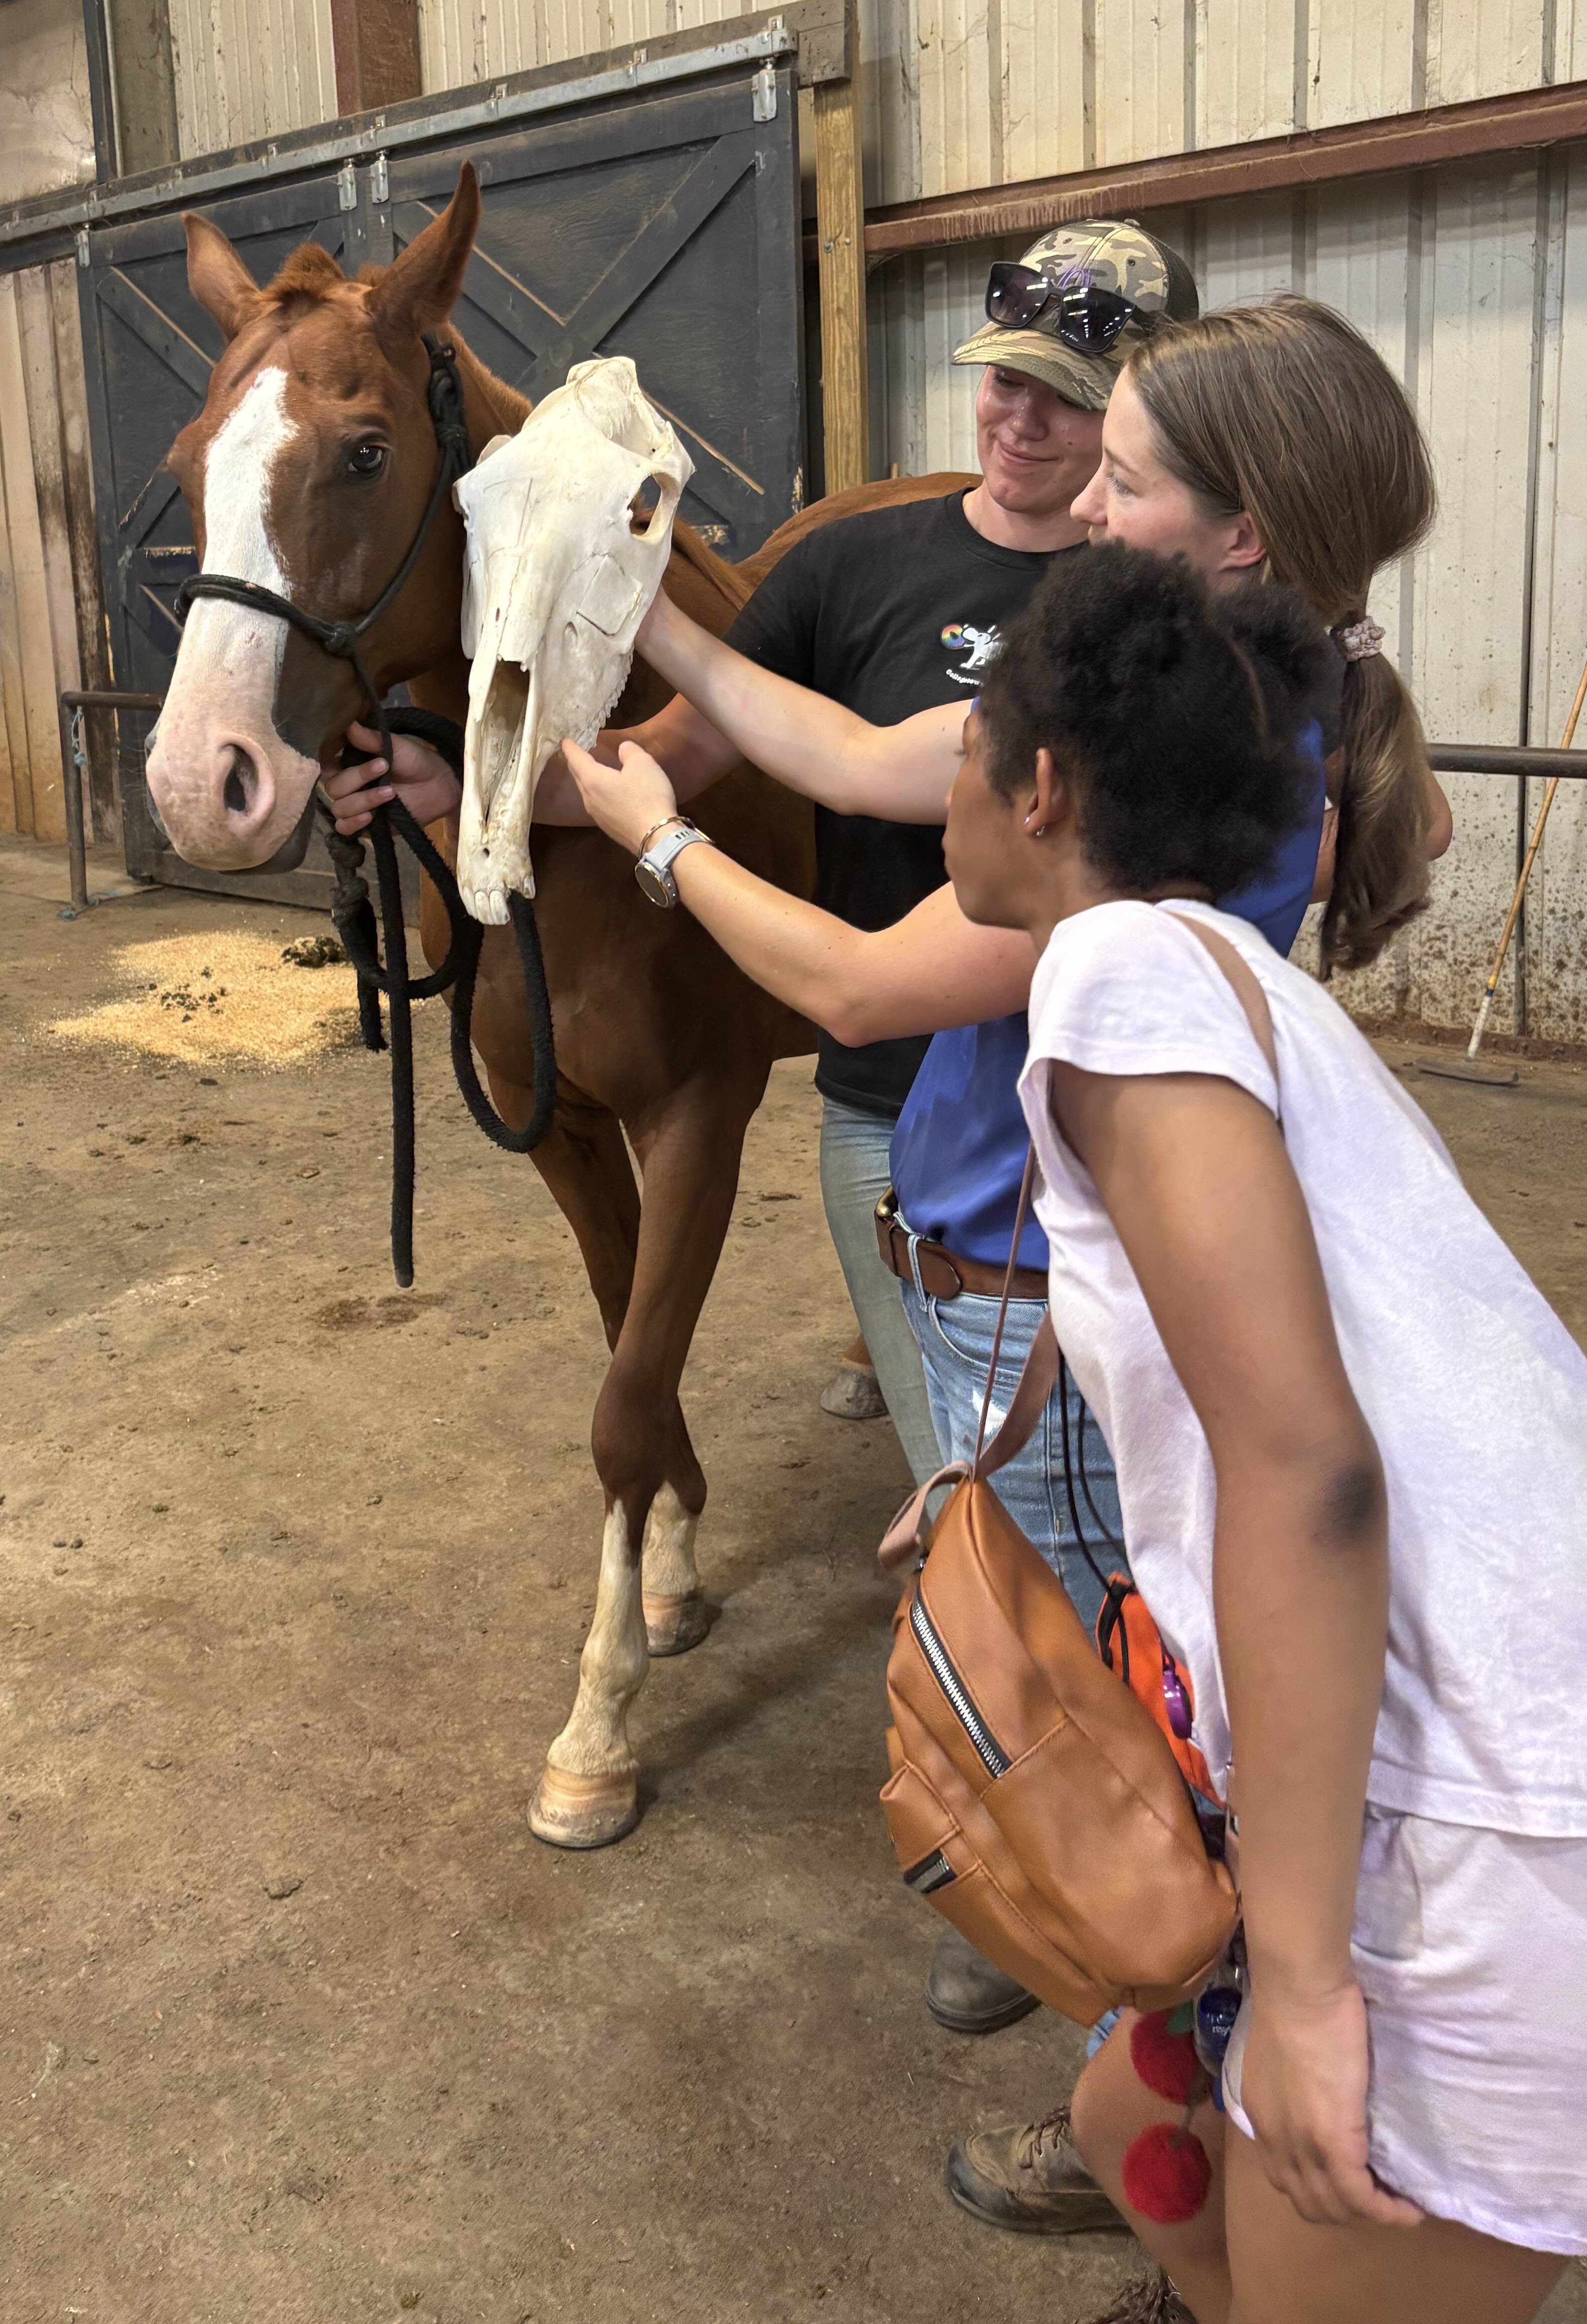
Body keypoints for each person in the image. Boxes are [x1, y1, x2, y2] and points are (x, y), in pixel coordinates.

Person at [559, 295, 1450, 2207]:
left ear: (1242, 543)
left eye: (1119, 476)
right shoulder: (1153, 700)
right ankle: (1154, 2093)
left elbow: (869, 978)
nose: (1064, 506)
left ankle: (1155, 2105)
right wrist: (650, 626)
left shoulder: (1185, 797)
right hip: (1002, 1295)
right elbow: (857, 755)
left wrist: (656, 846)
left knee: (1093, 1741)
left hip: (1051, 1319)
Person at [936, 538, 1587, 2324]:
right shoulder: (1232, 986)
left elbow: (1306, 1465)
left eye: (962, 745)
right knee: (1125, 2120)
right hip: (1512, 1738)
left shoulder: (1111, 973)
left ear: (1039, 784)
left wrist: (1312, 1986)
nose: (939, 778)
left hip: (1488, 1821)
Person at [326, 220, 1195, 1470]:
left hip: (1093, 1117)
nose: (1021, 420)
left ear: (1136, 421)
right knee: (971, 1487)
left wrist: (666, 845)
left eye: (1072, 399)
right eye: (1008, 377)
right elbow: (703, 752)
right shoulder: (855, 565)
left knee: (1084, 1495)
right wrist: (466, 783)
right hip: (888, 1107)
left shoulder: (1142, 634)